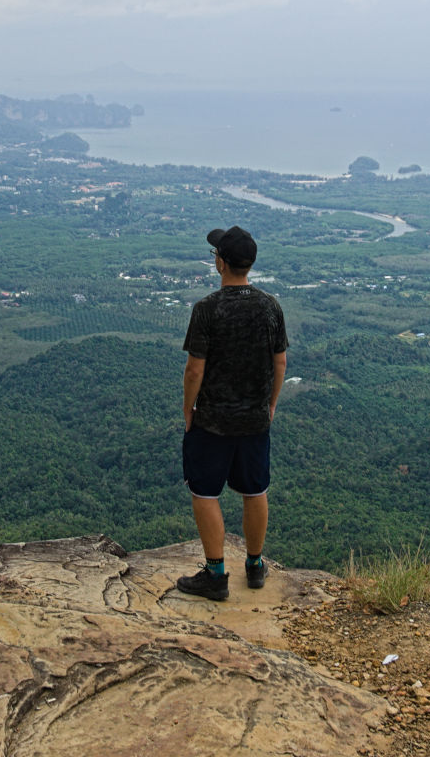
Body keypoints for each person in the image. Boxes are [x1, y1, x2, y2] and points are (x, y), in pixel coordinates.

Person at [177, 225, 288, 601]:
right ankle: (255, 566)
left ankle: (215, 574)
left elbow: (195, 369)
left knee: (205, 494)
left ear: (221, 264)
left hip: (212, 420)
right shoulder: (270, 306)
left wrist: (188, 410)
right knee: (255, 490)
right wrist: (270, 404)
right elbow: (280, 361)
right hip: (255, 420)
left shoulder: (207, 309)